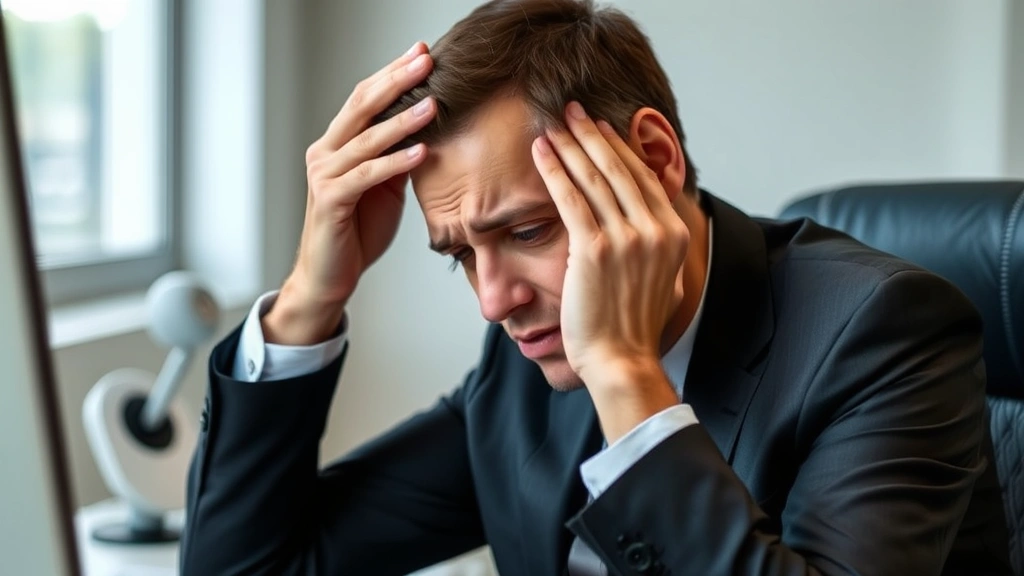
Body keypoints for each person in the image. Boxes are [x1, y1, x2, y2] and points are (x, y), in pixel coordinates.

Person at [179, 1, 1012, 574]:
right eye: (460, 255)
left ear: (652, 159)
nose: (493, 300)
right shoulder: (522, 367)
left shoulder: (886, 335)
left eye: (529, 231)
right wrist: (308, 301)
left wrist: (625, 377)